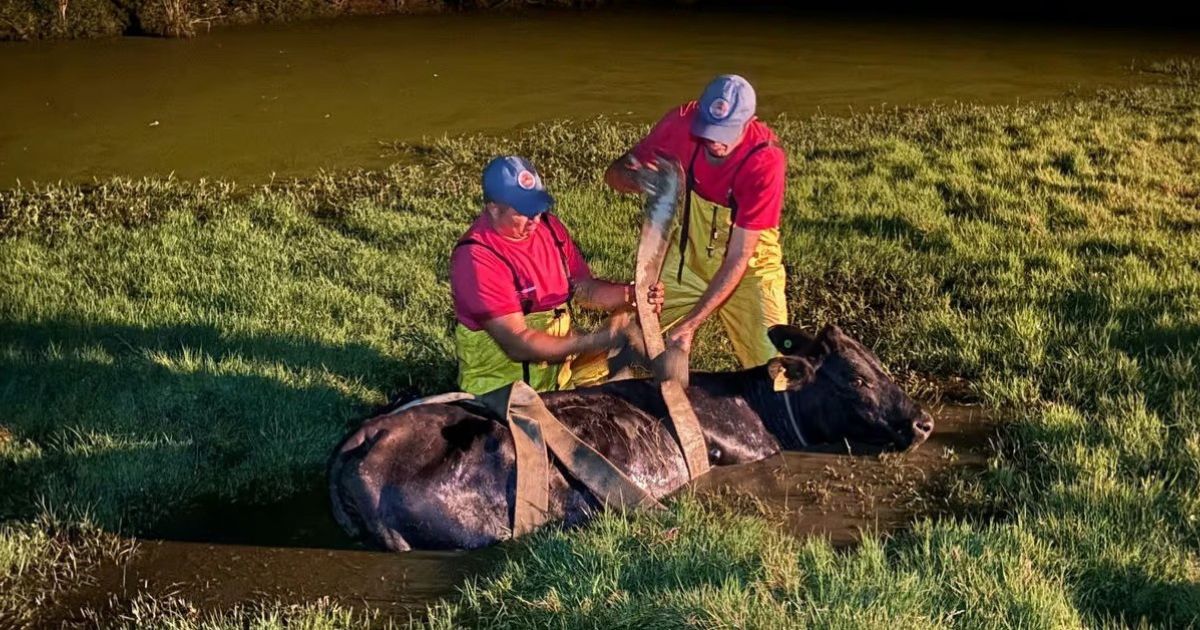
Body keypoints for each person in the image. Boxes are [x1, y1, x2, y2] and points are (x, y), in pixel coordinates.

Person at [604, 74, 788, 368]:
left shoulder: (765, 161)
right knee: (615, 346)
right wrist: (644, 180)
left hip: (750, 268)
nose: (715, 142)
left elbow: (739, 257)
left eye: (726, 133)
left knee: (775, 371)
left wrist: (689, 326)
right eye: (710, 130)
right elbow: (614, 173)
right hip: (688, 259)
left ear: (749, 122)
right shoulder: (680, 123)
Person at [450, 155, 662, 396]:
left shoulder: (550, 229)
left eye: (537, 207)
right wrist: (593, 342)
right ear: (494, 208)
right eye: (523, 211)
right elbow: (517, 343)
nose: (535, 219)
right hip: (502, 391)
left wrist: (632, 294)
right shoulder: (477, 258)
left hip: (556, 382)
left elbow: (584, 289)